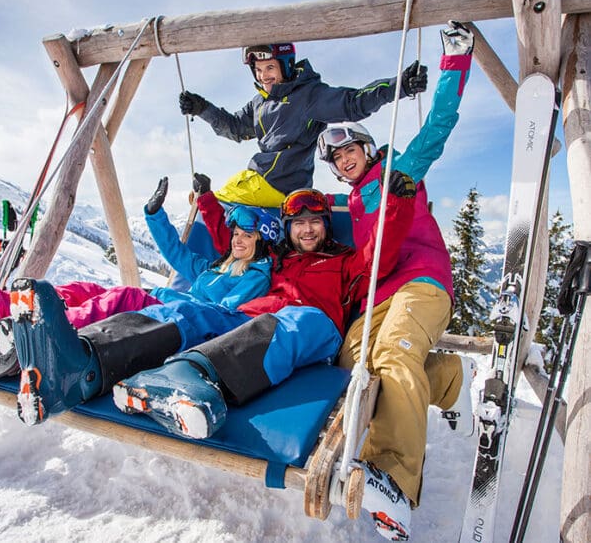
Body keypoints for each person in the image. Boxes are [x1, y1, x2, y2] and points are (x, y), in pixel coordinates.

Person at [112, 184, 414, 520]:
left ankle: (195, 374)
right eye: (299, 223)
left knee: (289, 322)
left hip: (314, 326)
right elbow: (231, 238)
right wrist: (208, 200)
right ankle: (103, 356)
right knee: (199, 313)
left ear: (326, 225)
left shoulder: (345, 261)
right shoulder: (276, 260)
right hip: (253, 318)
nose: (308, 228)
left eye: (315, 221)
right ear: (288, 228)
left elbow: (380, 256)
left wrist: (398, 203)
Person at [311, 21, 477, 540]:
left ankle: (394, 479)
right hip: (378, 296)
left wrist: (454, 61)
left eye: (348, 147)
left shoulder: (399, 170)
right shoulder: (348, 202)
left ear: (364, 144)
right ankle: (449, 377)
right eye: (335, 158)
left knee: (394, 356)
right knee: (351, 358)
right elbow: (302, 220)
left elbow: (439, 125)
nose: (344, 157)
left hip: (422, 281)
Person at [0, 177, 279, 394]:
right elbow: (175, 252)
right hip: (160, 299)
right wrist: (154, 214)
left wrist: (167, 297)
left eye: (247, 236)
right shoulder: (213, 266)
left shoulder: (255, 277)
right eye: (235, 235)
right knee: (85, 291)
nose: (238, 241)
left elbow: (221, 313)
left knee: (119, 298)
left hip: (170, 311)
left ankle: (44, 333)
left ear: (261, 242)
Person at [178, 43, 428, 206]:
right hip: (257, 180)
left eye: (270, 68)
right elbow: (235, 128)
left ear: (285, 66)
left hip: (278, 184)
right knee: (202, 204)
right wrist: (203, 109)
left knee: (207, 205)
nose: (264, 76)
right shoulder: (259, 103)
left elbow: (353, 103)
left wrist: (400, 86)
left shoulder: (307, 95)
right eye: (258, 70)